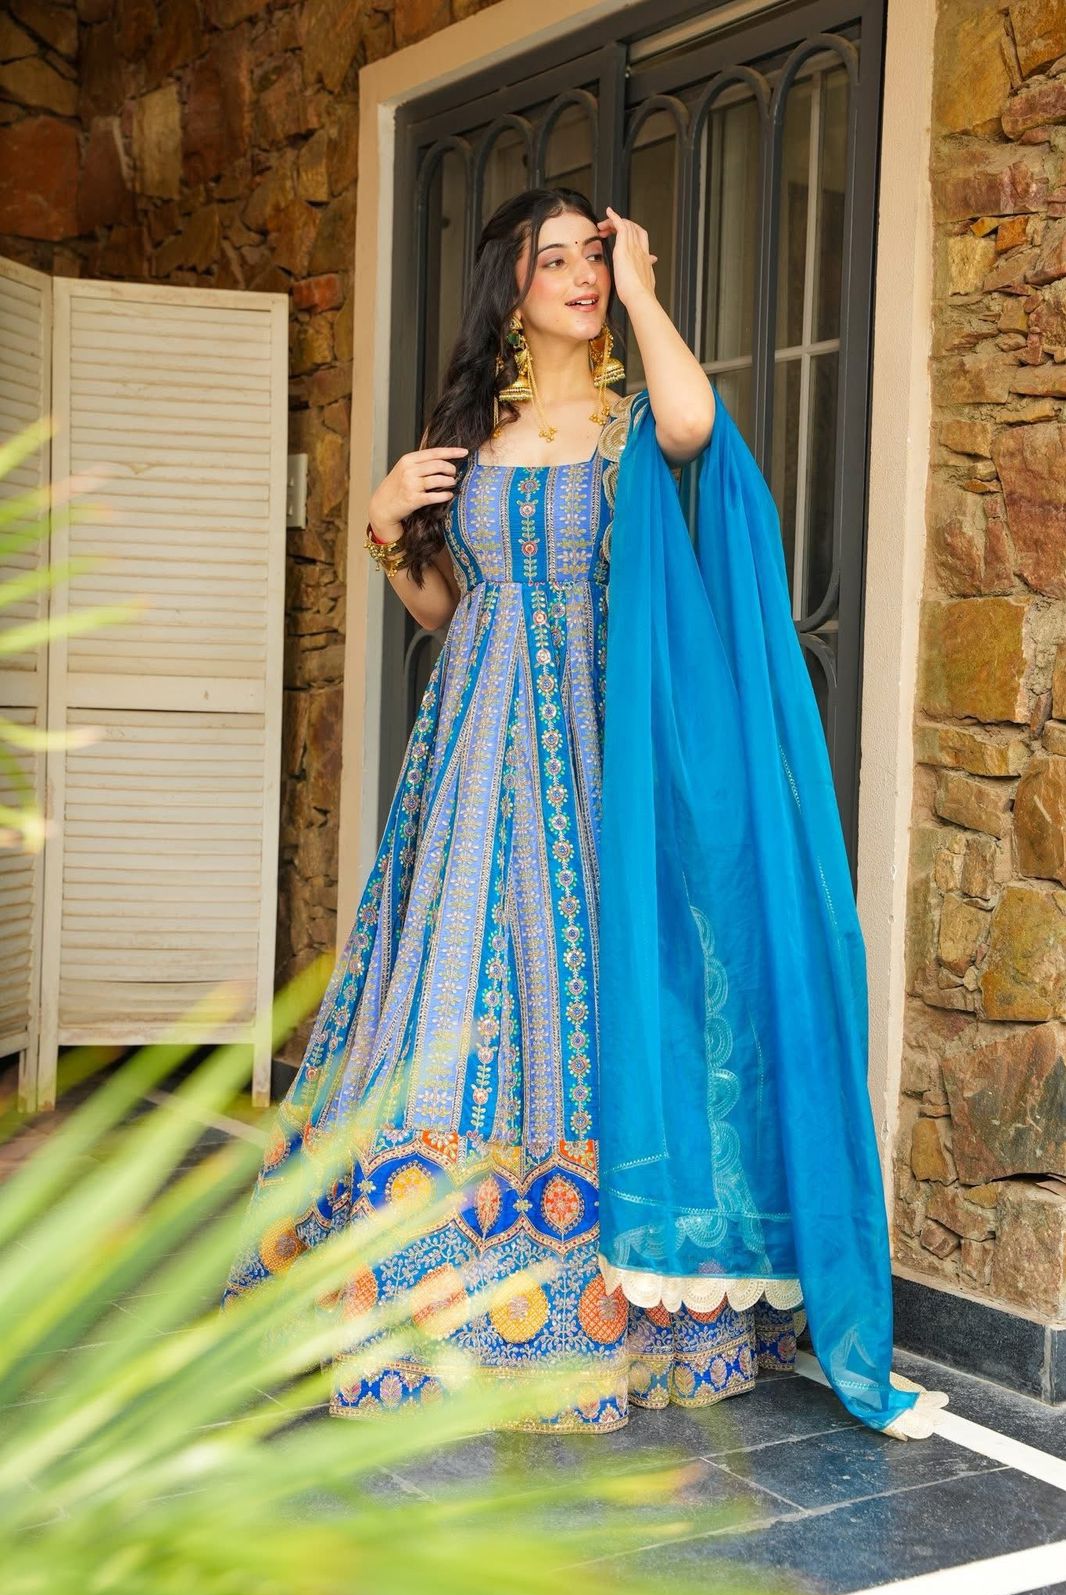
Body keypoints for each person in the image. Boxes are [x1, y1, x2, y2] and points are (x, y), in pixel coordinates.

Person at [224, 186, 945, 1441]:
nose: (579, 275)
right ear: (511, 286)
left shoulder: (628, 429)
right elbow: (455, 612)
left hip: (599, 752)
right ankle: (418, 1292)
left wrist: (652, 286)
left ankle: (596, 1303)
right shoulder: (476, 440)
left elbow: (694, 419)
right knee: (450, 998)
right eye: (553, 259)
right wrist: (388, 526)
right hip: (470, 763)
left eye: (591, 257)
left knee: (594, 998)